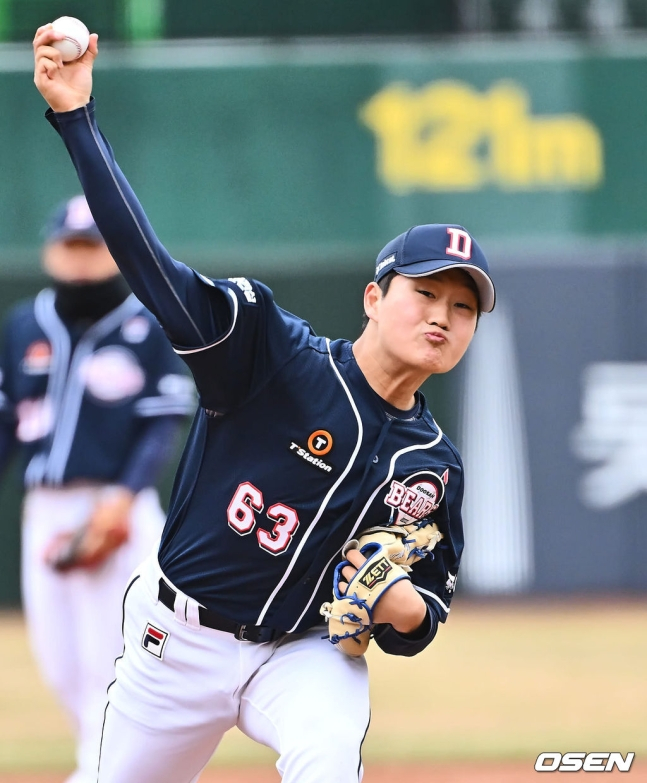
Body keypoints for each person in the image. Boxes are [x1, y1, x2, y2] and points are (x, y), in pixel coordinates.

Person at [32, 24, 496, 783]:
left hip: (305, 651)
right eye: (425, 293)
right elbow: (151, 267)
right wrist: (77, 120)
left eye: (463, 307)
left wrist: (393, 598)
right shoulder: (268, 351)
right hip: (176, 644)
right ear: (374, 296)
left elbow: (424, 616)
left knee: (326, 759)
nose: (442, 316)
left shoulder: (430, 466)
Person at [0, 193, 195, 783]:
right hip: (46, 510)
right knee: (60, 662)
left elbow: (163, 422)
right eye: (71, 246)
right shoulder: (23, 323)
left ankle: (102, 771)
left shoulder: (148, 320)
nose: (81, 259)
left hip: (119, 506)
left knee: (115, 656)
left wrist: (125, 495)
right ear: (52, 251)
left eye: (93, 246)